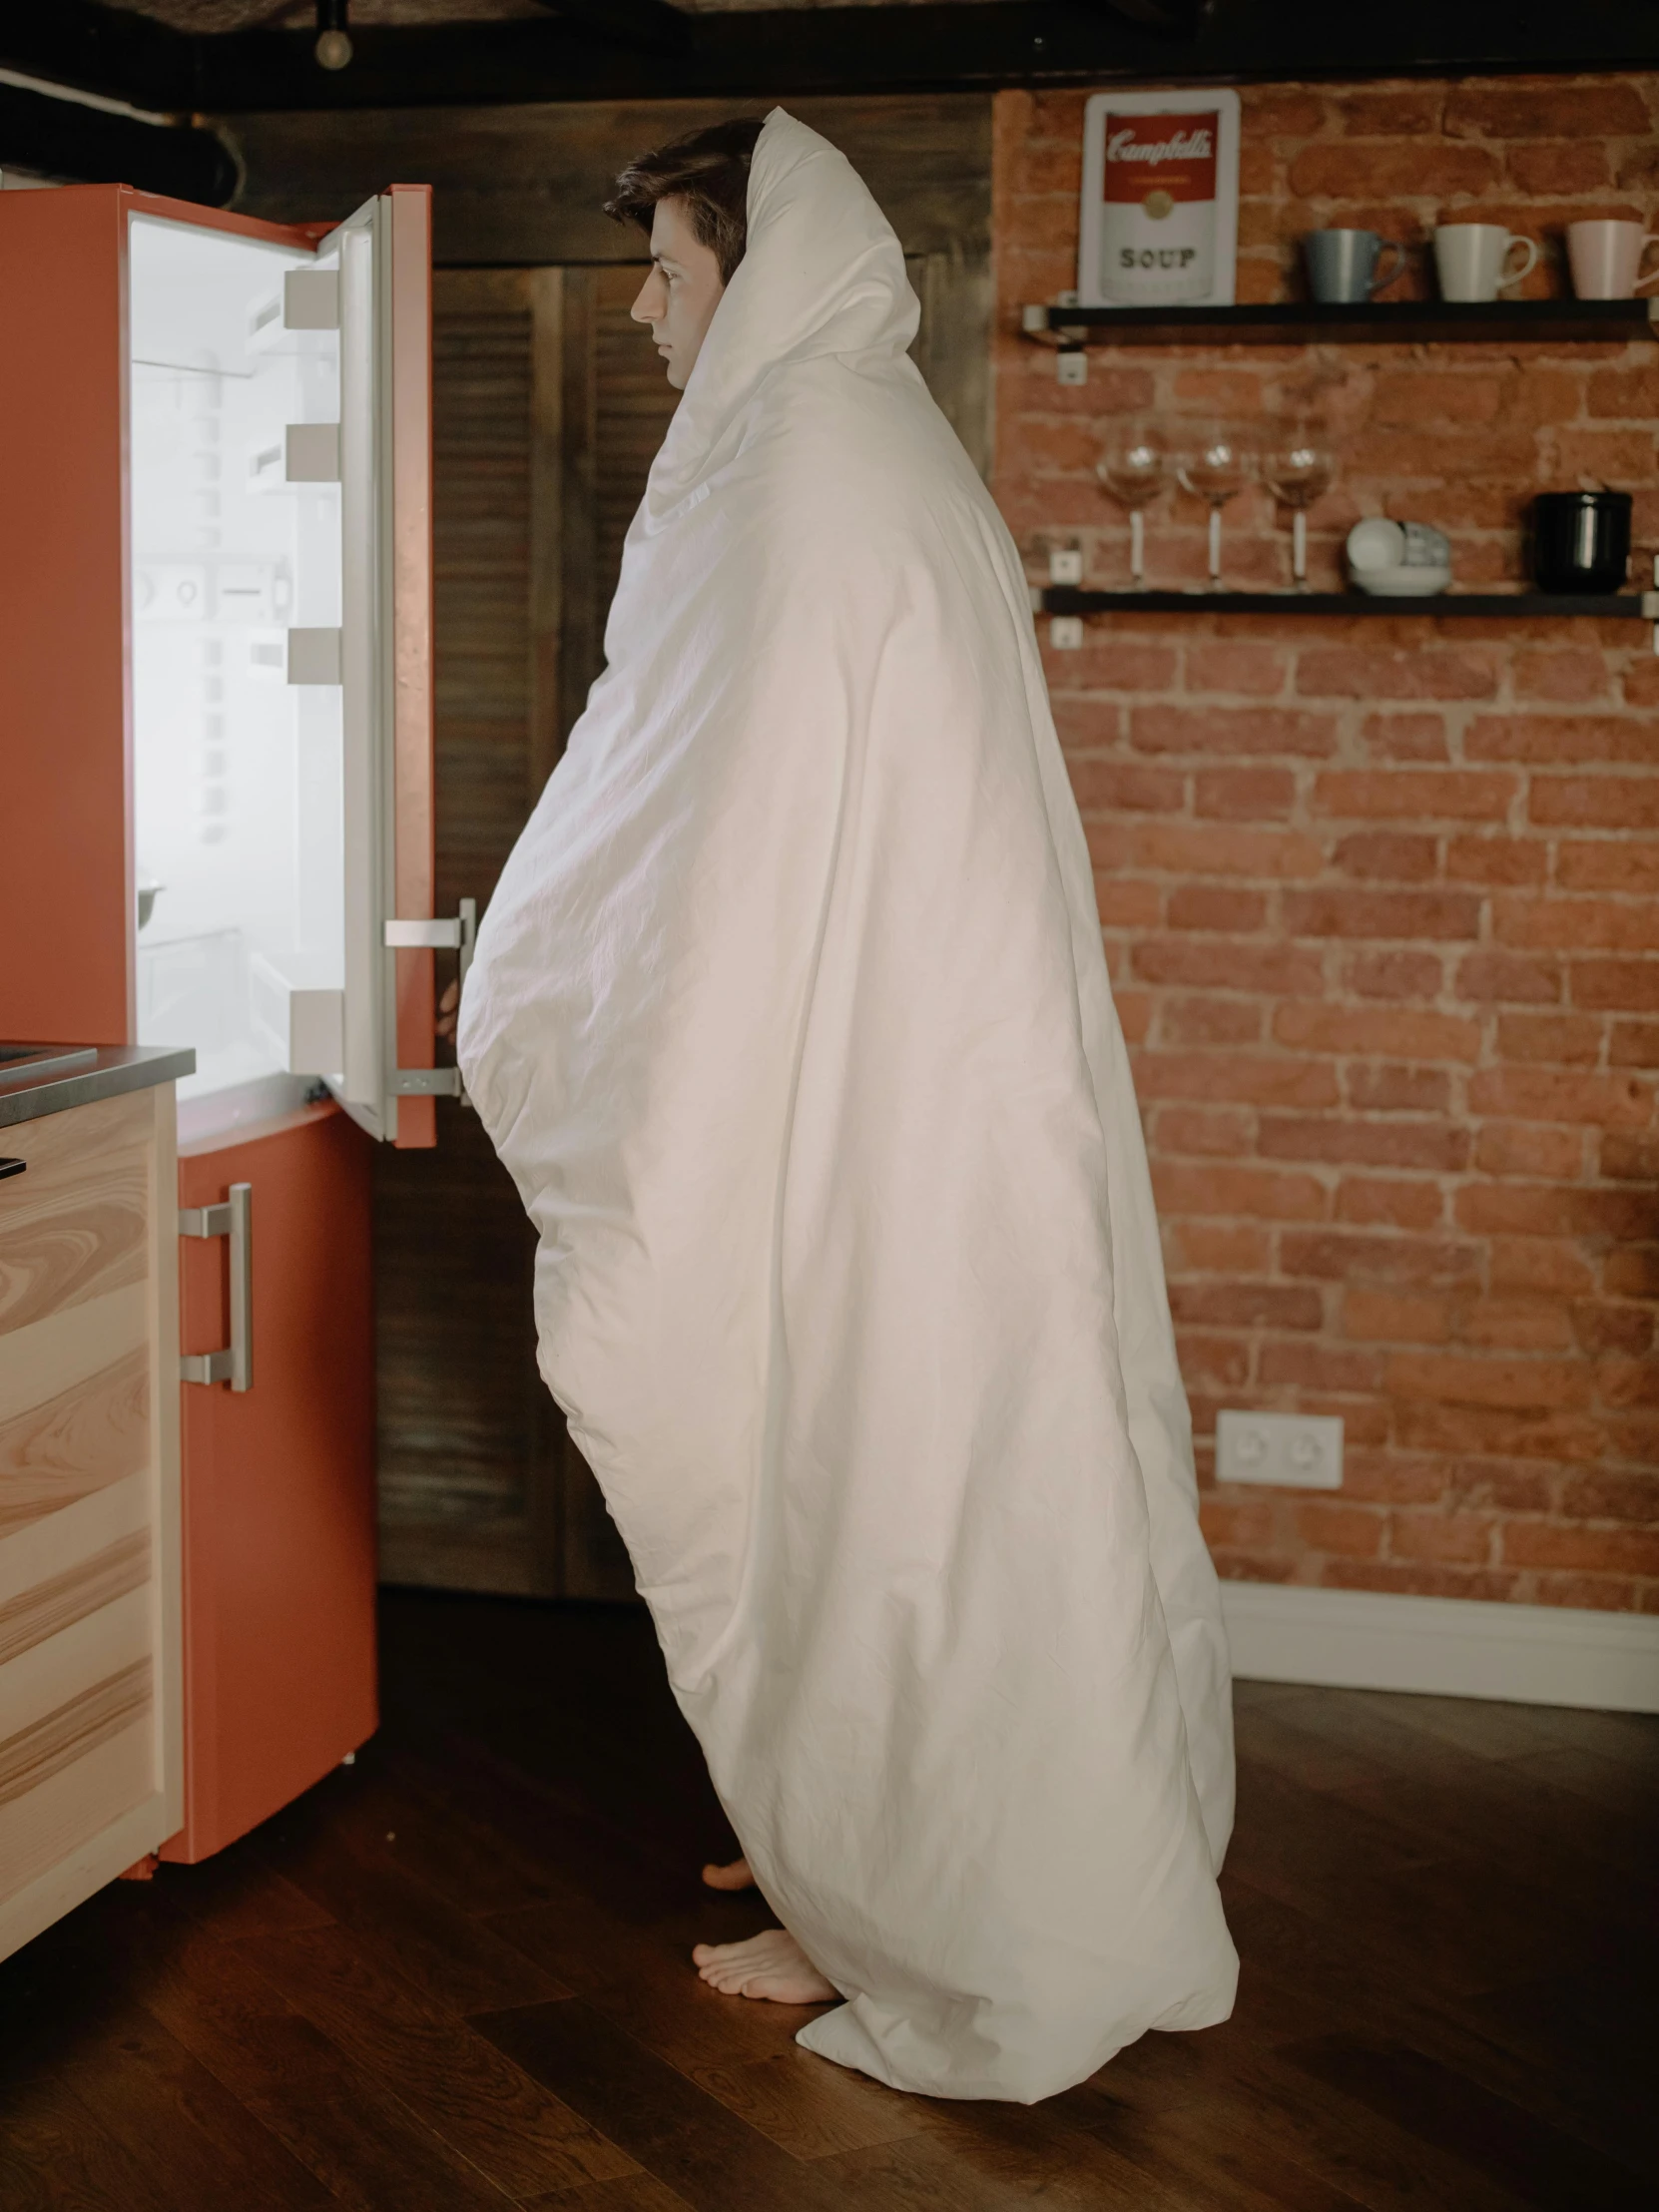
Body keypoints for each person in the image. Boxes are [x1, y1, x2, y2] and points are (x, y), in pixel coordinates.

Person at [457, 108, 1238, 2104]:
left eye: (668, 269)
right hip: (936, 1071)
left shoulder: (808, 467)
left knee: (882, 1482)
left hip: (870, 1092)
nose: (641, 310)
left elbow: (721, 827)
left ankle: (917, 1908)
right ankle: (865, 1853)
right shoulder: (872, 442)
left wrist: (558, 992)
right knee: (942, 1475)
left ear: (759, 270)